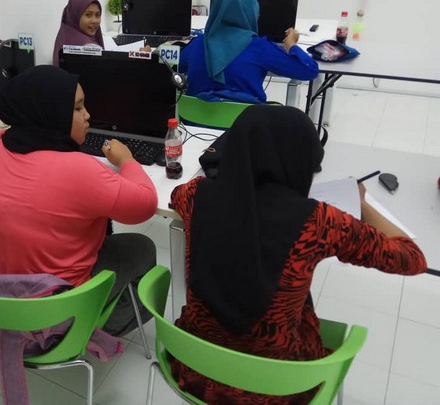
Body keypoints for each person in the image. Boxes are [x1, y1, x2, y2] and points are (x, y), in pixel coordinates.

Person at [169, 105, 427, 404]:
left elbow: (176, 195)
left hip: (196, 368)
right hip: (275, 387)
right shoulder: (320, 221)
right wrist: (363, 204)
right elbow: (412, 258)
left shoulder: (196, 195)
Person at [0, 65, 157, 336]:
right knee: (143, 247)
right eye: (78, 108)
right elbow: (146, 204)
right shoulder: (79, 170)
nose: (88, 115)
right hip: (53, 311)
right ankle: (88, 332)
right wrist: (127, 160)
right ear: (52, 112)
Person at [179, 0, 319, 104]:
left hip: (193, 124)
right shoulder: (260, 47)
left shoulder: (197, 44)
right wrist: (292, 45)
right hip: (246, 125)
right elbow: (310, 70)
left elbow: (174, 66)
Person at [52, 0, 104, 66]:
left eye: (97, 15)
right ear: (75, 16)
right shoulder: (91, 48)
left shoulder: (63, 35)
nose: (94, 21)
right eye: (88, 15)